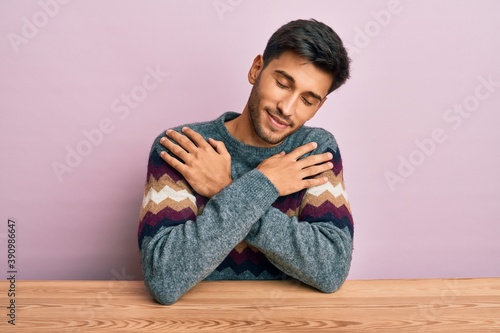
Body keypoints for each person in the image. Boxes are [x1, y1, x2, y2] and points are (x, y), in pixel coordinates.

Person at [137, 18, 354, 305]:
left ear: (320, 105)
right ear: (256, 69)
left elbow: (331, 269)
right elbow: (165, 277)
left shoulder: (314, 151)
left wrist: (226, 186)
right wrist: (267, 183)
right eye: (282, 83)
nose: (287, 108)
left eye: (308, 100)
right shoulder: (183, 148)